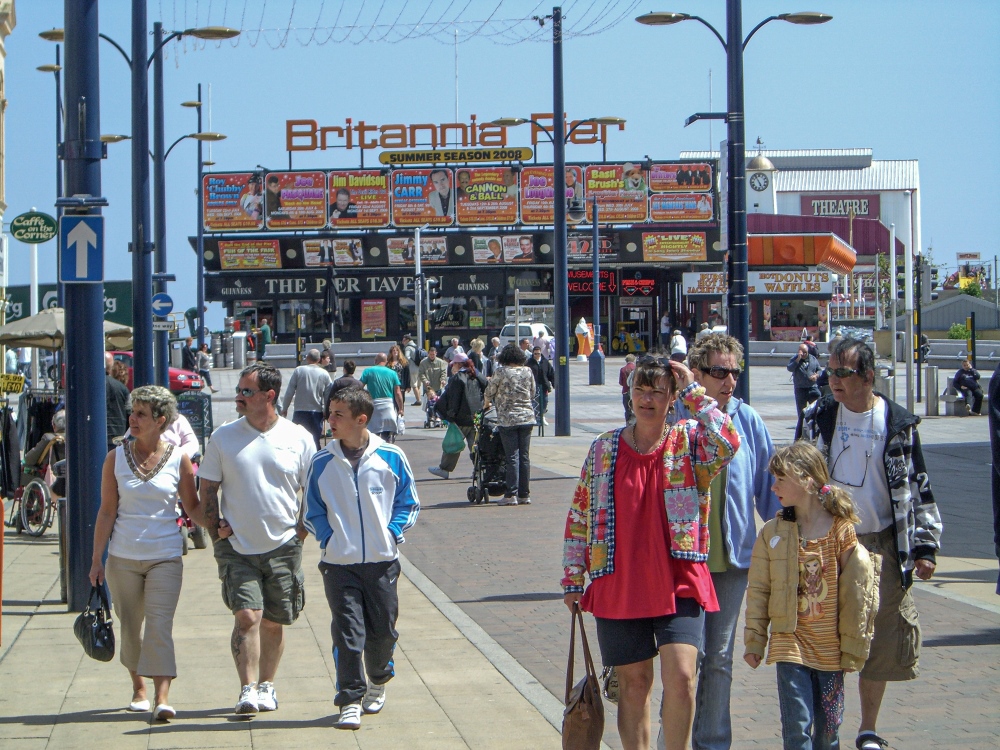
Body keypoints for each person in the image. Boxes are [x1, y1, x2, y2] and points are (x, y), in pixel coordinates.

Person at [562, 356, 740, 750]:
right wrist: (573, 577)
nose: (647, 399)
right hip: (619, 580)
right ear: (628, 394)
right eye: (640, 390)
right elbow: (580, 511)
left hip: (678, 578)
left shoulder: (690, 441)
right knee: (634, 684)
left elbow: (728, 440)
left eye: (658, 391)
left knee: (682, 676)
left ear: (672, 397)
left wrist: (695, 390)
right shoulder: (603, 448)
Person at [797, 337, 942, 750]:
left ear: (868, 376)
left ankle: (868, 730)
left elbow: (920, 486)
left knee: (878, 639)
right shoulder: (819, 415)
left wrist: (926, 547)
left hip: (882, 544)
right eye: (831, 371)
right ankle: (829, 730)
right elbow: (798, 472)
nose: (834, 380)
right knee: (828, 635)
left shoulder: (896, 424)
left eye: (844, 373)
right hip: (827, 540)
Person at [658, 334, 782, 750]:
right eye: (718, 371)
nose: (729, 380)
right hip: (683, 560)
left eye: (734, 372)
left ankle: (712, 743)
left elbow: (770, 490)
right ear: (696, 374)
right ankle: (671, 741)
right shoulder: (675, 419)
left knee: (721, 658)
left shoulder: (748, 421)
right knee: (683, 663)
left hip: (732, 561)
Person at [197, 362, 317, 716]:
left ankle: (267, 686)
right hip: (236, 548)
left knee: (274, 621)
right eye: (238, 389)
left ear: (269, 396)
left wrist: (302, 528)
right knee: (247, 617)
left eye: (246, 392)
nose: (238, 397)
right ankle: (247, 689)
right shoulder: (223, 437)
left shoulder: (298, 437)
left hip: (283, 545)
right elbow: (208, 489)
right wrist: (214, 528)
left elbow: (313, 488)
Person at [743, 442, 878, 750]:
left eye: (780, 479)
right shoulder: (772, 532)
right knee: (796, 731)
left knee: (828, 733)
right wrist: (754, 640)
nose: (773, 486)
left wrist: (854, 648)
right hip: (790, 644)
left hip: (832, 649)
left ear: (806, 480)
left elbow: (858, 594)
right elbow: (759, 590)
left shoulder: (841, 531)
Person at [304, 386, 419, 730]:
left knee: (382, 633)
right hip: (339, 565)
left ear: (361, 419)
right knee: (348, 634)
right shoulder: (322, 461)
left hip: (383, 564)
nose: (330, 420)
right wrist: (331, 538)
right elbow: (312, 510)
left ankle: (379, 679)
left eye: (338, 414)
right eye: (330, 412)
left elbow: (408, 502)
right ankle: (349, 699)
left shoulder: (392, 456)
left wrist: (391, 533)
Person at [89, 386, 201, 722]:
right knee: (131, 626)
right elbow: (107, 511)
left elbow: (193, 506)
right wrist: (97, 559)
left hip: (165, 554)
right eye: (132, 412)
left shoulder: (179, 458)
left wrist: (219, 522)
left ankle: (161, 697)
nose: (132, 419)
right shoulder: (115, 458)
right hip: (122, 557)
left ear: (161, 420)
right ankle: (138, 686)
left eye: (140, 414)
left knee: (159, 625)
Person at [483, 344, 536, 506]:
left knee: (511, 456)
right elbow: (533, 392)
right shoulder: (528, 371)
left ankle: (510, 494)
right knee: (524, 456)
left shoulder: (501, 372)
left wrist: (487, 403)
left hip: (508, 419)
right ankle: (524, 494)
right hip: (527, 417)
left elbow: (489, 392)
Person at [428, 352, 488, 480]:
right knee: (476, 446)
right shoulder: (477, 375)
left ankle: (444, 469)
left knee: (453, 444)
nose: (452, 367)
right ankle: (480, 470)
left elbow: (454, 399)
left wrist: (450, 415)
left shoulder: (458, 378)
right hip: (477, 416)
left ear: (458, 364)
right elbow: (487, 389)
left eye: (453, 364)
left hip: (460, 418)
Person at [280, 349, 333, 448]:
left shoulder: (299, 370)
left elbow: (290, 391)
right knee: (315, 441)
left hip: (300, 411)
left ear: (308, 358)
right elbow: (328, 394)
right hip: (316, 412)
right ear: (319, 360)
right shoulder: (324, 373)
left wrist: (285, 408)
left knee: (298, 441)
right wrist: (327, 410)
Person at [360, 353, 404, 444]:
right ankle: (388, 446)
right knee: (388, 434)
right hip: (388, 406)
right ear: (386, 361)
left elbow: (359, 387)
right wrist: (401, 409)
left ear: (375, 361)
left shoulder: (368, 371)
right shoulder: (392, 373)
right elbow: (398, 393)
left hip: (373, 406)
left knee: (373, 435)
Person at [23, 410, 67, 498]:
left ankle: (30, 509)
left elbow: (29, 459)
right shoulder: (74, 437)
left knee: (27, 472)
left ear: (54, 426)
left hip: (51, 476)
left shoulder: (48, 438)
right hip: (68, 472)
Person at [787, 343, 822, 418]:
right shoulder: (794, 359)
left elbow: (819, 370)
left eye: (805, 352)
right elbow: (790, 368)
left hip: (812, 387)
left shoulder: (812, 358)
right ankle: (802, 425)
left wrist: (816, 375)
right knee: (801, 411)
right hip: (800, 388)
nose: (804, 354)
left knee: (817, 407)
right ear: (799, 351)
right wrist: (797, 360)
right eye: (802, 352)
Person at [106, 353, 130, 454]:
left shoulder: (87, 385)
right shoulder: (122, 388)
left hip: (95, 436)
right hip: (118, 436)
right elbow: (129, 412)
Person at [526, 346, 554, 426]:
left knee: (544, 401)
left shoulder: (545, 362)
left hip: (544, 385)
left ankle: (542, 416)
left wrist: (553, 383)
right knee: (534, 402)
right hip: (533, 386)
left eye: (538, 353)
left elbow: (551, 373)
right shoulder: (529, 363)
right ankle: (535, 417)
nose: (537, 355)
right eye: (535, 354)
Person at [401, 334, 422, 405]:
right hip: (419, 367)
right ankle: (419, 399)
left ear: (407, 340)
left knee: (414, 385)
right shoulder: (416, 346)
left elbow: (407, 357)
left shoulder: (408, 348)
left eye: (403, 340)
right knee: (418, 385)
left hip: (412, 368)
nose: (402, 342)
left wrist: (406, 362)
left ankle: (418, 400)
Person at [619, 354, 636, 423]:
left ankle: (627, 423)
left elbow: (621, 382)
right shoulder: (636, 369)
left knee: (627, 409)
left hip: (625, 391)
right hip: (634, 392)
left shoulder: (622, 369)